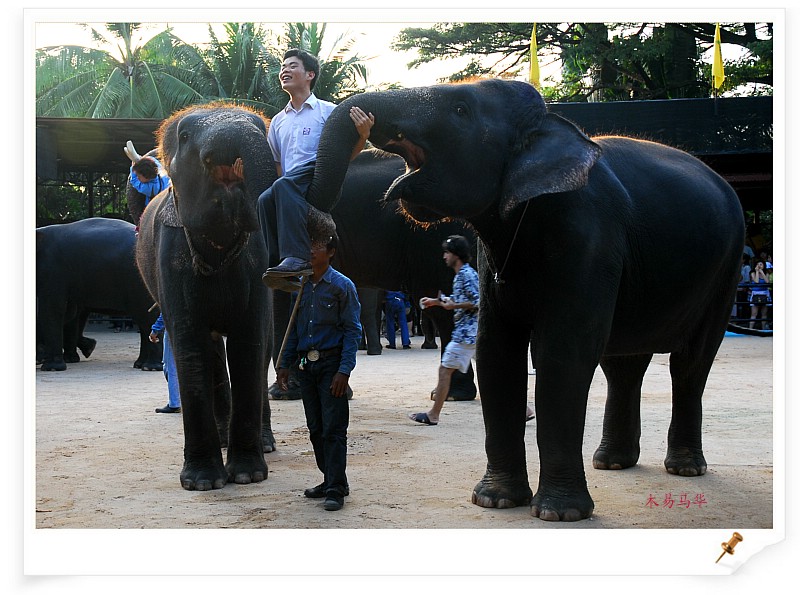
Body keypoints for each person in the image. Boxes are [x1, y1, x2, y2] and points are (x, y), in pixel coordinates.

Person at [258, 48, 374, 289]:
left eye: (292, 66)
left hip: (320, 172)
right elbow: (278, 162)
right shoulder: (279, 120)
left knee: (283, 185)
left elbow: (346, 152)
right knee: (264, 199)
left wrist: (363, 136)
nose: (284, 71)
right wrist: (284, 195)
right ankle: (278, 266)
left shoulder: (328, 112)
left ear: (309, 74)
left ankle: (297, 258)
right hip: (292, 182)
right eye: (282, 67)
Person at [276, 233, 362, 511]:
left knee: (333, 429)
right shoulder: (302, 286)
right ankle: (331, 480)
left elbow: (353, 331)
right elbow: (293, 329)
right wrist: (284, 366)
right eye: (308, 246)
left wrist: (344, 371)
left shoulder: (342, 286)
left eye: (317, 246)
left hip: (330, 365)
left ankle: (336, 489)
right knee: (315, 428)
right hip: (305, 366)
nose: (311, 251)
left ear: (331, 252)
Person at [408, 235, 479, 426]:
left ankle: (433, 415)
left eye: (447, 252)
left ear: (456, 254)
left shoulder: (466, 274)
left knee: (444, 370)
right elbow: (462, 300)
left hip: (466, 335)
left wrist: (452, 306)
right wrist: (437, 302)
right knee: (495, 373)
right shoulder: (463, 274)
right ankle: (525, 410)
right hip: (471, 334)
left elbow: (477, 302)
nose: (444, 256)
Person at [149, 313, 181, 414]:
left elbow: (166, 310)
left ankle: (175, 403)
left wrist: (155, 329)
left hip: (174, 327)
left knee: (170, 367)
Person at [749, 260, 771, 329]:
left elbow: (767, 281)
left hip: (765, 293)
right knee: (754, 313)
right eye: (758, 264)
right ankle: (750, 329)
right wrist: (757, 272)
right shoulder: (752, 273)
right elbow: (756, 281)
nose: (759, 266)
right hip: (755, 293)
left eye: (761, 264)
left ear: (764, 265)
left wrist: (762, 272)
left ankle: (763, 329)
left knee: (764, 313)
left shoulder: (766, 273)